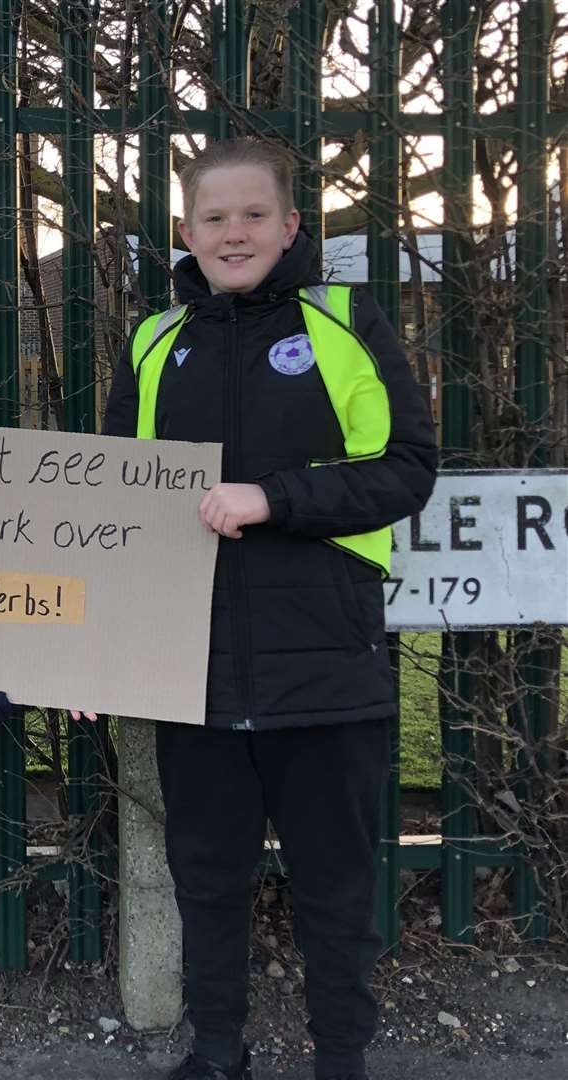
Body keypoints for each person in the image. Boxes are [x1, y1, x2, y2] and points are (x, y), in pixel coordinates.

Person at [101, 138, 437, 1080]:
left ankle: (341, 1059)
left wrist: (274, 497)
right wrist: (85, 650)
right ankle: (216, 1054)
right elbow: (111, 508)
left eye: (255, 214)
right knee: (207, 882)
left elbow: (405, 468)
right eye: (214, 217)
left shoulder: (343, 321)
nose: (234, 232)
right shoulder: (154, 341)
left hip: (325, 665)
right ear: (186, 232)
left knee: (334, 886)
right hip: (190, 668)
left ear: (292, 225)